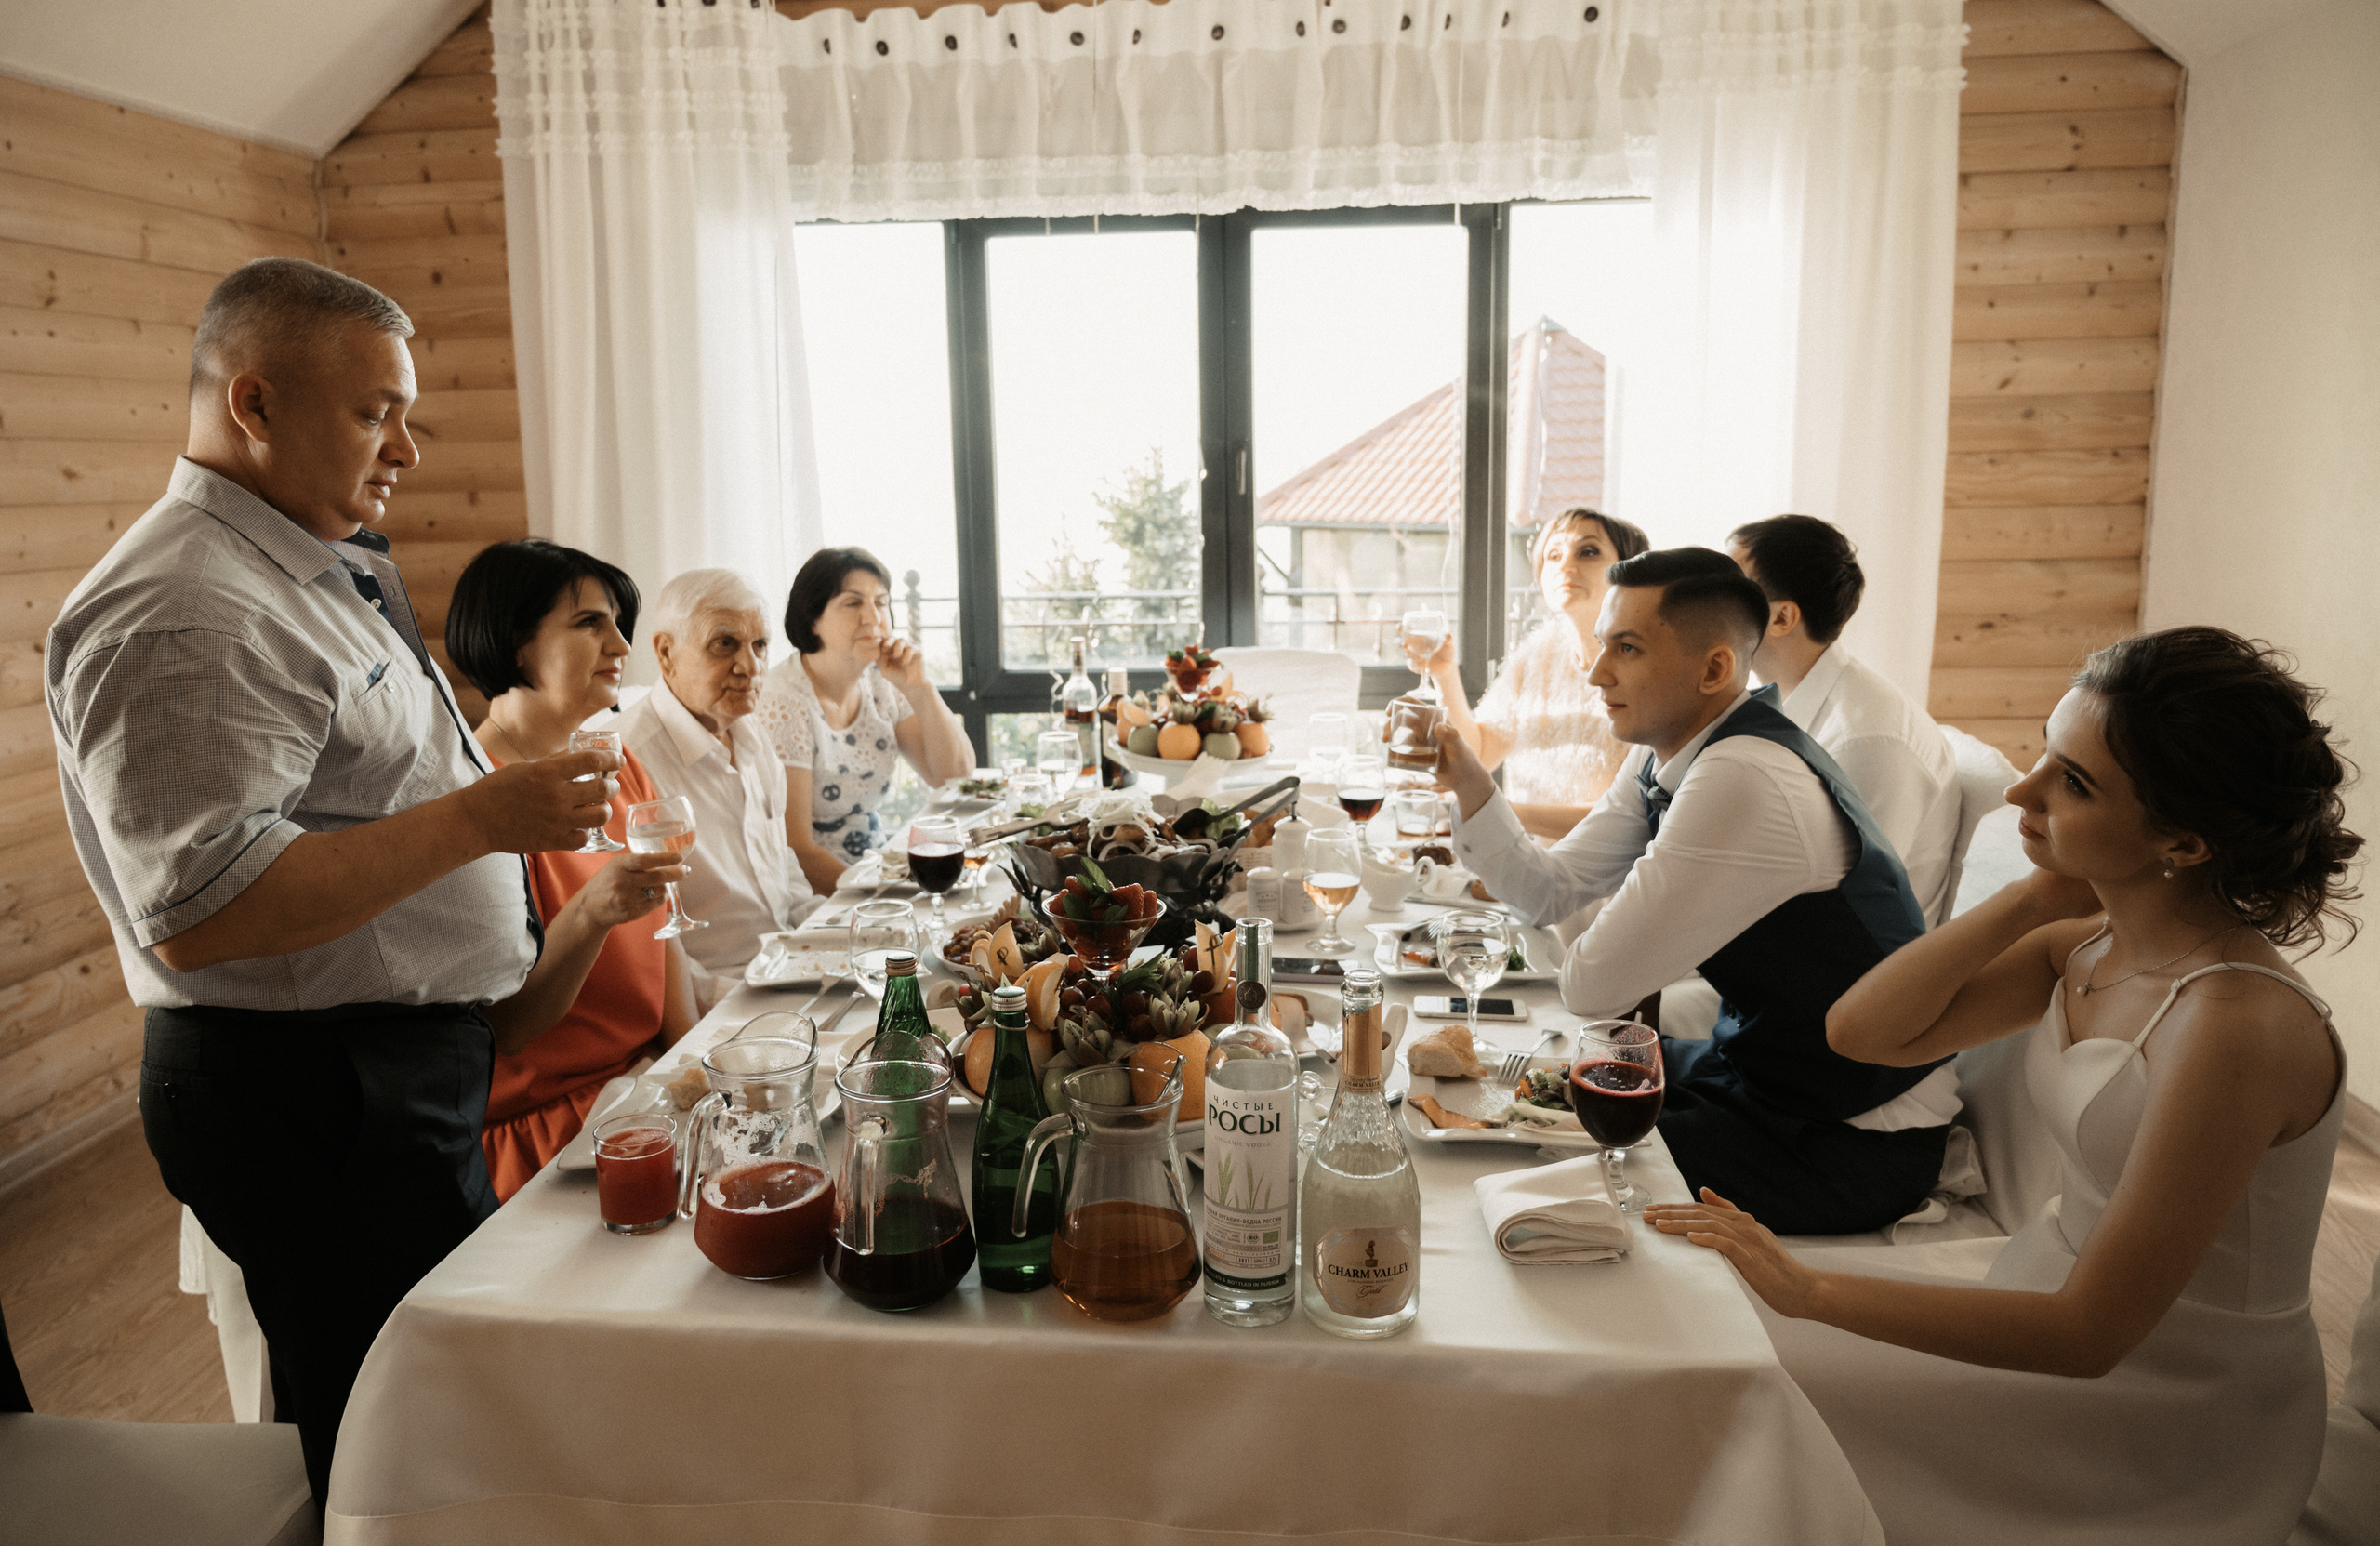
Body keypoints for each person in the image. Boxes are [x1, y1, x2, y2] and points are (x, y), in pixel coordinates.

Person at [48, 258, 612, 1504]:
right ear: (252, 404)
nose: (405, 445)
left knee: (411, 1408)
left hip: (388, 1066)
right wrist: (486, 817)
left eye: (406, 412)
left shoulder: (309, 561)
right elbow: (207, 911)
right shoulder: (186, 606)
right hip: (310, 1091)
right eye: (376, 412)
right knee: (394, 1433)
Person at [1651, 627, 2359, 1546]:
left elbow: (2091, 1334)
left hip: (2163, 1401)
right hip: (2037, 1294)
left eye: (2072, 780)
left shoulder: (2238, 1027)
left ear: (2181, 841)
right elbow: (1861, 1033)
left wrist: (1810, 1289)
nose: (2021, 790)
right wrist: (2029, 897)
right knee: (1707, 1340)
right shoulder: (2088, 947)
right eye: (2043, 754)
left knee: (1740, 1373)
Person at [1439, 547, 1960, 1235]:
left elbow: (1591, 986)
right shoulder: (1672, 750)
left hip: (1851, 1135)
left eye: (1626, 648)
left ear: (1714, 667)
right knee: (1522, 1093)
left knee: (1536, 1161)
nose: (1596, 674)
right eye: (1602, 646)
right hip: (1763, 1075)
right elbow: (1548, 890)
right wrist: (1472, 780)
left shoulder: (1743, 776)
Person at [445, 540, 700, 1199]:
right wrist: (593, 909)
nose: (621, 644)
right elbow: (507, 1027)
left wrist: (693, 1069)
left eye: (618, 622)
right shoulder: (473, 799)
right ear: (514, 643)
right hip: (551, 1135)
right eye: (590, 622)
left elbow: (665, 939)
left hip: (645, 1093)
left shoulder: (621, 769)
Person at [1727, 514, 1963, 925]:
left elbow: (1850, 904)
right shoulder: (1771, 707)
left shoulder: (1869, 739)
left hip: (1837, 973)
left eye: (1728, 588)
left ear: (1781, 618)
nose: (1703, 601)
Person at [618, 569, 821, 1011]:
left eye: (760, 645)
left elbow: (784, 877)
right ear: (666, 653)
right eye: (725, 644)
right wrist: (754, 999)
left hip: (789, 975)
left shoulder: (753, 736)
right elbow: (642, 947)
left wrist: (837, 937)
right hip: (723, 1002)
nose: (750, 667)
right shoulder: (629, 763)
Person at [1402, 509, 1650, 839]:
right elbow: (1480, 753)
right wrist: (1444, 672)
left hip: (1608, 878)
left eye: (1588, 551)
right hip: (1525, 863)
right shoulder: (1538, 655)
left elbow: (1632, 819)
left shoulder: (1650, 670)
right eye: (1553, 555)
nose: (1565, 565)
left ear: (1628, 573)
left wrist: (1495, 812)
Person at [753, 548, 975, 892]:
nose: (873, 617)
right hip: (813, 891)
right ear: (812, 618)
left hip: (875, 868)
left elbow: (954, 776)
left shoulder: (881, 681)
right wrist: (880, 897)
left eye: (882, 603)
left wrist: (920, 689)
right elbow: (797, 848)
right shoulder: (783, 701)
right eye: (853, 603)